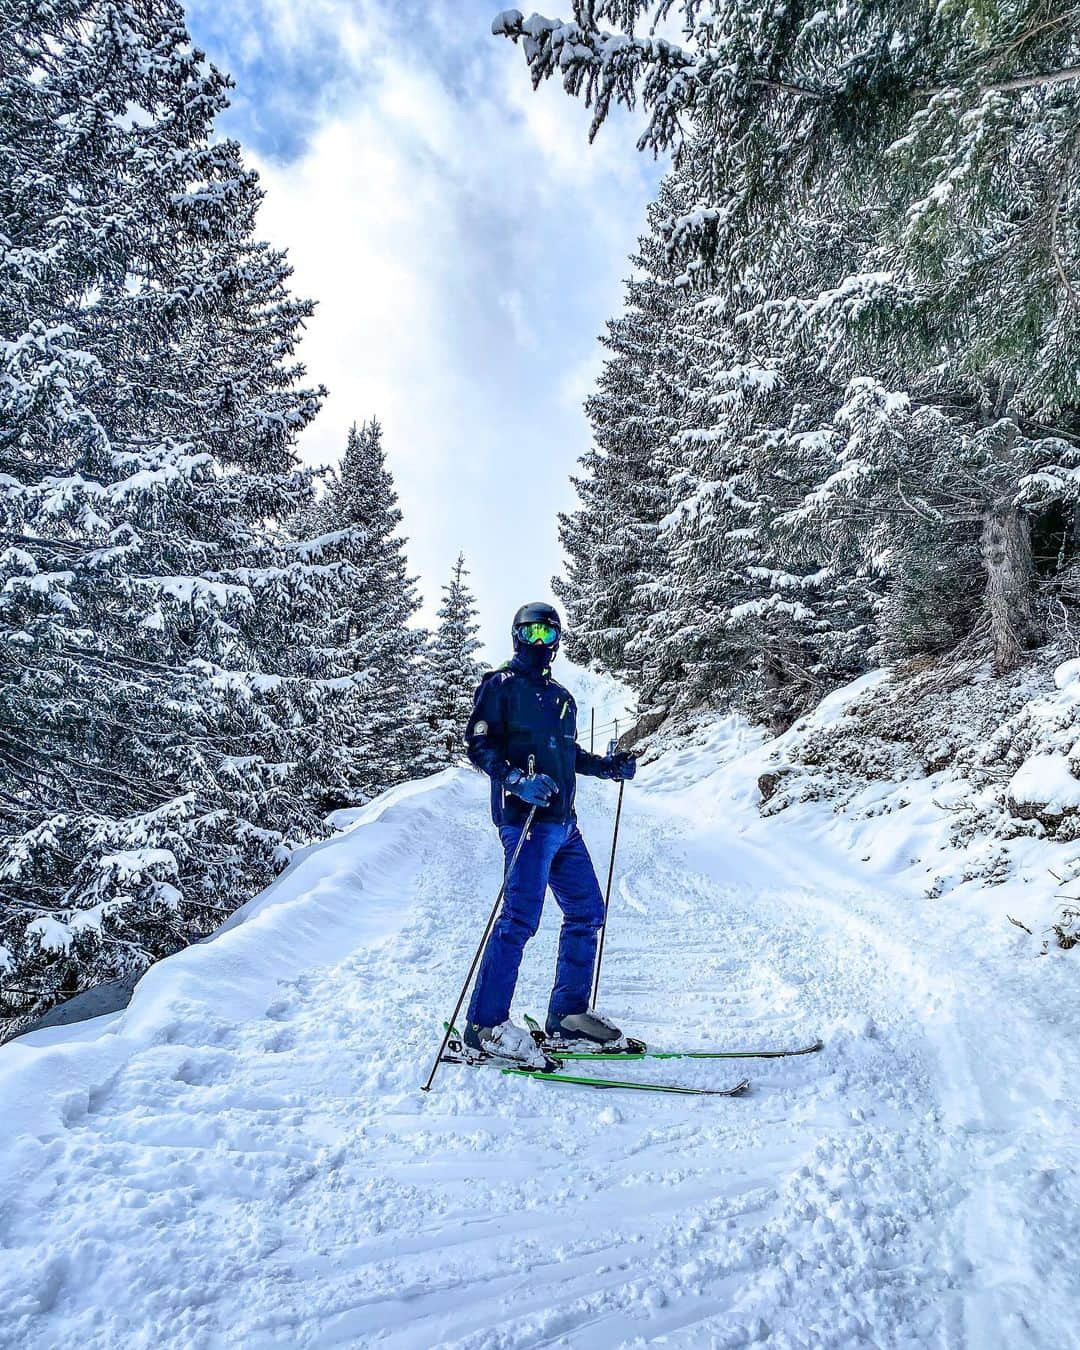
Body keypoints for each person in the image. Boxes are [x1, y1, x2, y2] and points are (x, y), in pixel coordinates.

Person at [463, 601, 636, 1065]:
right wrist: (517, 780)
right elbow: (478, 744)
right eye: (532, 633)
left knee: (587, 911)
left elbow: (568, 753)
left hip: (564, 823)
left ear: (558, 641)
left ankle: (568, 1015)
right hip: (525, 822)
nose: (541, 642)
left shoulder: (562, 698)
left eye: (549, 635)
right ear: (516, 635)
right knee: (519, 918)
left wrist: (608, 767)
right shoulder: (499, 686)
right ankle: (485, 1026)